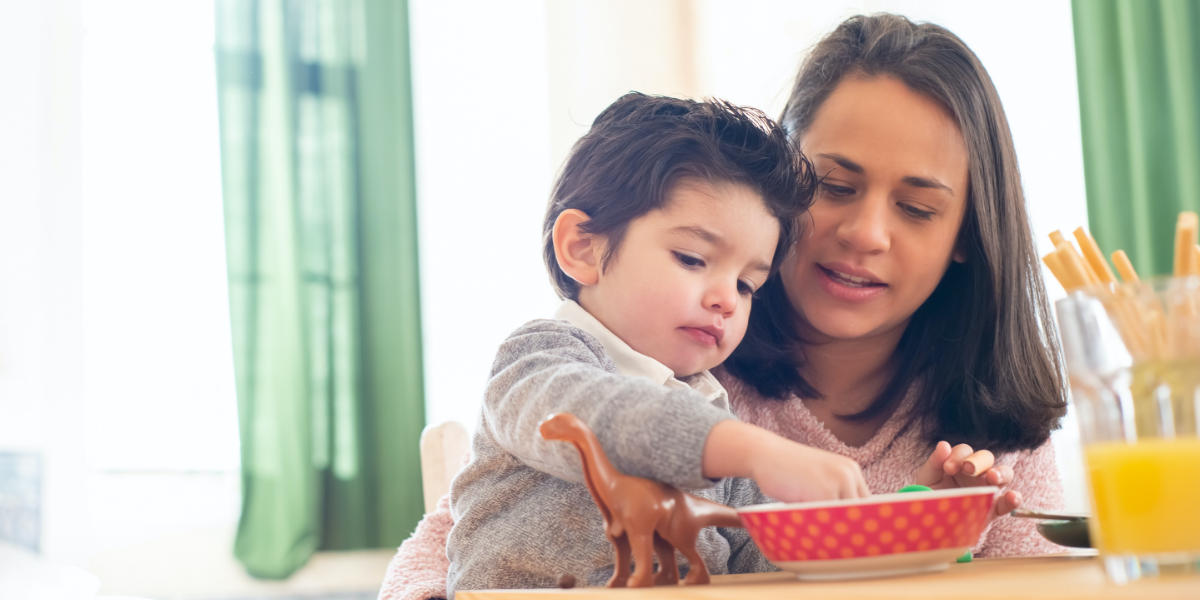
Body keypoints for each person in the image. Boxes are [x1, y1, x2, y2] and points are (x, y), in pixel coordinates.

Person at [378, 13, 1069, 600]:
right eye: (833, 186)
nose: (867, 234)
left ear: (967, 238)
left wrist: (916, 518)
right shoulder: (634, 362)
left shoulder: (991, 426)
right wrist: (754, 450)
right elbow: (457, 530)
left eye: (917, 208)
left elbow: (781, 567)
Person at [444, 92, 869, 598]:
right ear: (583, 248)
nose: (727, 301)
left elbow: (764, 561)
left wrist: (902, 519)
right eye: (692, 258)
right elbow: (599, 417)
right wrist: (752, 450)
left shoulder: (714, 416)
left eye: (746, 285)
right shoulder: (538, 359)